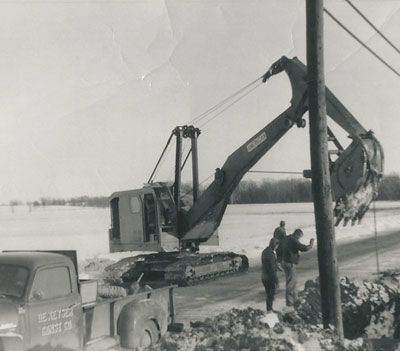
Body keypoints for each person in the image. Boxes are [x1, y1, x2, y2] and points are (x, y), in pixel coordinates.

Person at [281, 229, 314, 307]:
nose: (299, 238)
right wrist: (311, 244)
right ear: (297, 234)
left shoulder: (288, 238)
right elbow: (303, 248)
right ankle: (290, 303)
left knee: (294, 281)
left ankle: (295, 299)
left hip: (285, 261)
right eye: (299, 236)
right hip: (289, 263)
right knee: (291, 283)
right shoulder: (293, 240)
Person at [261, 237, 280, 313]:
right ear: (274, 245)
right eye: (277, 246)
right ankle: (269, 310)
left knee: (269, 293)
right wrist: (277, 281)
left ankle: (269, 309)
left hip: (264, 276)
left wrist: (276, 266)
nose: (277, 248)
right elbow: (272, 270)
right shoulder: (271, 254)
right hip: (269, 277)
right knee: (271, 294)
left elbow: (268, 264)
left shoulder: (265, 251)